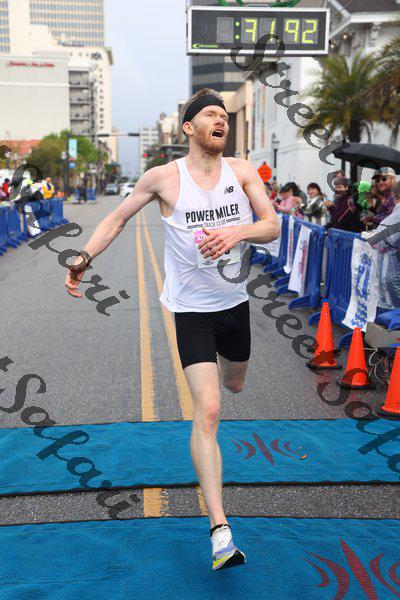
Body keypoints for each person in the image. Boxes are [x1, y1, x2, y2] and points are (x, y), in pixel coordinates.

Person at [64, 88, 280, 572]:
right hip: (191, 312)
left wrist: (238, 231)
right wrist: (83, 258)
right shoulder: (163, 178)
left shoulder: (242, 171)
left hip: (235, 305)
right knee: (210, 409)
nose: (221, 121)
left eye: (225, 116)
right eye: (211, 114)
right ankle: (220, 531)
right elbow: (117, 219)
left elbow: (272, 226)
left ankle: (223, 372)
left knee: (235, 382)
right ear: (188, 127)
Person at [366, 180, 400, 308]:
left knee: (392, 310)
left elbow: (380, 240)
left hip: (391, 273)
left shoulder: (396, 215)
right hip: (391, 274)